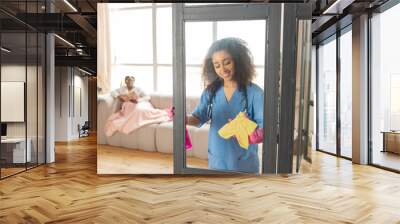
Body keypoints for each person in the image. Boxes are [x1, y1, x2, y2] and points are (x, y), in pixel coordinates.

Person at [186, 37, 264, 173]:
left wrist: (247, 127)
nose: (222, 69)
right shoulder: (211, 92)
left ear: (238, 61)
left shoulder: (255, 93)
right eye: (217, 65)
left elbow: (264, 130)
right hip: (217, 160)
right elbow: (199, 117)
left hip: (244, 164)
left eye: (227, 62)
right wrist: (184, 119)